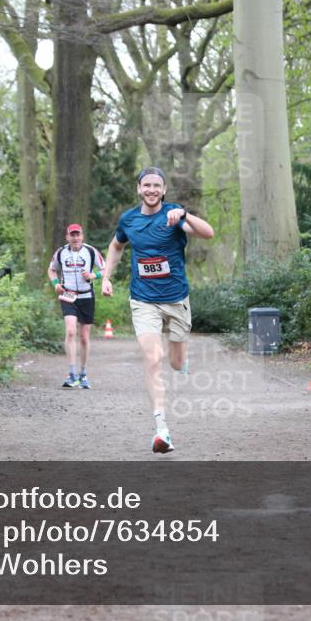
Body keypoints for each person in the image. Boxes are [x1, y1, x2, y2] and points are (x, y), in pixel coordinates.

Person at [101, 167, 215, 453]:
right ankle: (161, 430)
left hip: (177, 299)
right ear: (139, 188)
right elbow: (116, 247)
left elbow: (208, 233)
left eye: (157, 186)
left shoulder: (174, 215)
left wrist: (186, 215)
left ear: (163, 190)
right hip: (143, 300)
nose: (151, 190)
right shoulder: (129, 220)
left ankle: (181, 361)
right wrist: (106, 276)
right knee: (153, 359)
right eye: (146, 185)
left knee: (176, 363)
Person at [48, 223, 105, 389]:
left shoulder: (91, 251)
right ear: (67, 237)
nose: (75, 238)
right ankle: (72, 374)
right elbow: (51, 270)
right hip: (68, 295)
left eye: (77, 235)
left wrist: (93, 275)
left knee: (84, 337)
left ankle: (83, 373)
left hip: (87, 296)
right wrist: (56, 283)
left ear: (82, 236)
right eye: (72, 235)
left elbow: (105, 267)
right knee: (71, 331)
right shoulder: (61, 252)